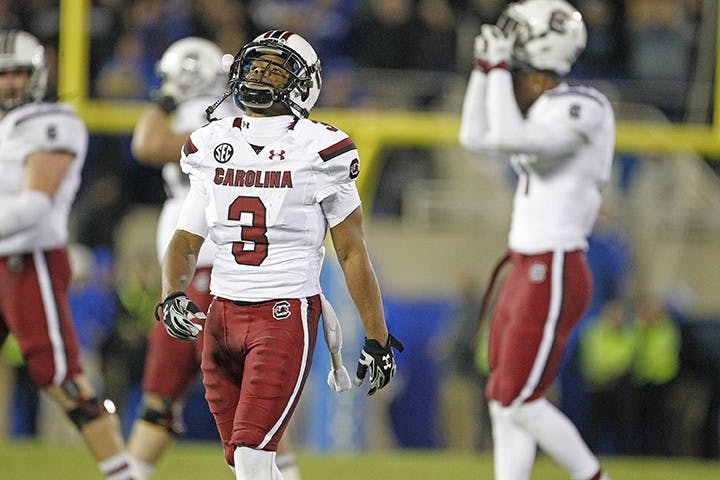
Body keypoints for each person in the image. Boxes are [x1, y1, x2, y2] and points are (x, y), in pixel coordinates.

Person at [155, 30, 403, 479]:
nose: (259, 74)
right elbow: (186, 240)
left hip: (283, 313)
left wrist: (377, 336)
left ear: (303, 83)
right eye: (255, 64)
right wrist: (172, 292)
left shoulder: (321, 148)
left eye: (276, 67)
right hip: (221, 312)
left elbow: (351, 251)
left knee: (253, 455)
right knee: (244, 460)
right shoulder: (210, 142)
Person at [127, 36, 303, 480]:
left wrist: (166, 98)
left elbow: (146, 144)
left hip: (205, 272)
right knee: (261, 414)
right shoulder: (249, 119)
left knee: (162, 401)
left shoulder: (207, 120)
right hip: (239, 273)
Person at [458, 2, 615, 480]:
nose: (515, 81)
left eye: (520, 71)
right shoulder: (544, 109)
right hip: (528, 266)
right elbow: (474, 135)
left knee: (521, 401)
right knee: (503, 401)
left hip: (556, 265)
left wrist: (499, 67)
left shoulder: (583, 105)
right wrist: (485, 70)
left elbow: (504, 136)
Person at [0, 30, 135, 479]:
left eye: (18, 73)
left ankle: (123, 473)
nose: (9, 83)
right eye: (2, 75)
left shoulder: (51, 121)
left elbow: (34, 207)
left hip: (28, 260)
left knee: (60, 378)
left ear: (37, 75)